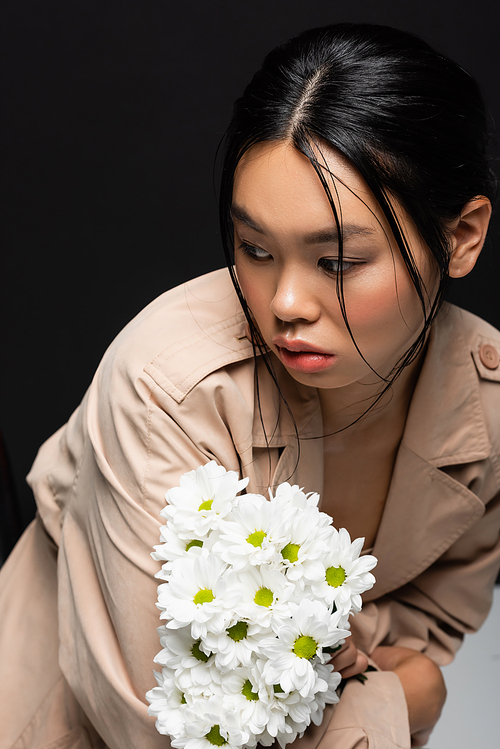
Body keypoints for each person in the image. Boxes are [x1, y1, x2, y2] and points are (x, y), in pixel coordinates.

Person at [1, 21, 499, 749]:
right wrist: (403, 699)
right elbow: (168, 725)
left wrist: (356, 672)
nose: (285, 301)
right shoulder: (166, 386)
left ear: (461, 238)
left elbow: (432, 622)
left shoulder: (486, 396)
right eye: (255, 249)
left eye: (337, 261)